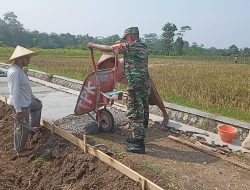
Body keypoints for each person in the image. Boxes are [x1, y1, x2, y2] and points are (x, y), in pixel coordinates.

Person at [88, 27, 150, 154]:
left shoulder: (130, 47)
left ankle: (139, 145)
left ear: (131, 37)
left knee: (135, 113)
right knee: (143, 111)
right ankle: (137, 137)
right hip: (144, 85)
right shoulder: (143, 46)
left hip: (136, 86)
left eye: (126, 38)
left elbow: (109, 48)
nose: (125, 41)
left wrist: (92, 45)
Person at [6, 45, 42, 153]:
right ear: (20, 59)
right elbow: (14, 92)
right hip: (20, 105)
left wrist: (33, 98)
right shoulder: (14, 72)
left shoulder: (21, 70)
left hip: (27, 101)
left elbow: (26, 88)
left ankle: (33, 129)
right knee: (21, 128)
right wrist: (18, 111)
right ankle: (19, 150)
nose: (29, 60)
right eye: (27, 58)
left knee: (38, 106)